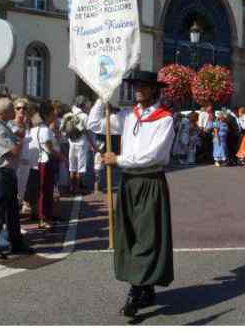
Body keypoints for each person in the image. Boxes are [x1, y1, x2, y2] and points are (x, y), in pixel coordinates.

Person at [87, 70, 175, 319]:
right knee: (130, 233)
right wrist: (101, 97)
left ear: (154, 90)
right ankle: (145, 287)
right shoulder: (128, 115)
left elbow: (153, 155)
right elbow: (94, 124)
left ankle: (136, 291)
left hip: (149, 181)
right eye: (136, 84)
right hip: (129, 182)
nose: (137, 88)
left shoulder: (165, 119)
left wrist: (119, 159)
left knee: (147, 235)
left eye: (143, 85)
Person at [0, 98, 34, 259]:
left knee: (12, 211)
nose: (16, 113)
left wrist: (17, 134)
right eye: (13, 109)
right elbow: (12, 152)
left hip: (7, 172)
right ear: (5, 112)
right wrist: (20, 138)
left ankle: (16, 242)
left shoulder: (2, 125)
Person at [29, 102, 62, 229]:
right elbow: (49, 148)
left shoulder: (38, 129)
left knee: (45, 191)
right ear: (48, 114)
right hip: (46, 162)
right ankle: (43, 218)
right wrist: (60, 156)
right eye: (53, 112)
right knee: (45, 191)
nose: (55, 114)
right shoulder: (45, 130)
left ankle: (46, 217)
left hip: (42, 162)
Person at [66, 96, 92, 194]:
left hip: (72, 142)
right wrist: (93, 145)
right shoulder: (85, 116)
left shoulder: (70, 114)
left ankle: (72, 187)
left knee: (72, 166)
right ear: (83, 105)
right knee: (80, 168)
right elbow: (88, 132)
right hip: (82, 143)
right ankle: (77, 189)